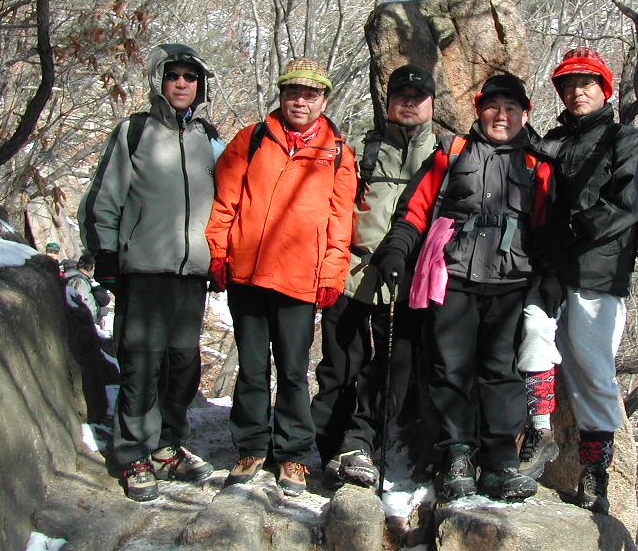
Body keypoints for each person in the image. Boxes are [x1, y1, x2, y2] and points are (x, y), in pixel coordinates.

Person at [373, 74, 556, 502]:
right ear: (479, 110)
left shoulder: (537, 165)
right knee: (450, 369)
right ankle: (457, 455)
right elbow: (416, 210)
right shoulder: (450, 153)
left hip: (511, 280)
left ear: (525, 114)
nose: (501, 116)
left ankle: (500, 463)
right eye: (493, 107)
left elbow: (547, 228)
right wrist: (397, 250)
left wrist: (551, 275)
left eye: (511, 109)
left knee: (502, 373)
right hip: (452, 275)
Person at [206, 58, 357, 497]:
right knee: (252, 367)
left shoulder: (338, 153)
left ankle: (293, 454)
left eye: (310, 94)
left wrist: (332, 274)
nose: (301, 102)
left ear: (323, 100)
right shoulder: (252, 139)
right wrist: (218, 251)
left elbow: (340, 221)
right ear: (282, 95)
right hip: (247, 273)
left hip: (300, 277)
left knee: (292, 370)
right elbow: (226, 202)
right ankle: (251, 447)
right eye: (293, 93)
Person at [517, 47, 638, 514]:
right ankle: (539, 434)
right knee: (533, 335)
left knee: (593, 372)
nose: (577, 92)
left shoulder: (625, 140)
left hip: (599, 269)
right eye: (569, 84)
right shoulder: (554, 141)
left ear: (605, 90)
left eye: (587, 83)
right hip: (551, 266)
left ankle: (596, 470)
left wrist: (574, 231)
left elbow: (629, 203)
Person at [79, 43, 220, 501]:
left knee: (182, 365)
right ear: (159, 81)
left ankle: (166, 444)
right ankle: (132, 452)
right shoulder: (135, 131)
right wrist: (105, 255)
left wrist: (219, 257)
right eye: (173, 75)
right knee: (142, 362)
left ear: (200, 85)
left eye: (190, 77)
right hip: (143, 268)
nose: (182, 83)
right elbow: (105, 195)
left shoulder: (207, 137)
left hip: (191, 273)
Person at [310, 64, 438, 487]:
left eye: (417, 98)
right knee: (339, 367)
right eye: (401, 96)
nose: (409, 103)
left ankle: (360, 444)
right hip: (352, 274)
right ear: (388, 102)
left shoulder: (445, 154)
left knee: (391, 373)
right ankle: (326, 450)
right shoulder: (363, 150)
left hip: (407, 282)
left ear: (431, 104)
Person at [64, 252, 112, 326]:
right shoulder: (79, 281)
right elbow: (76, 307)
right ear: (90, 267)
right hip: (81, 326)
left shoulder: (84, 281)